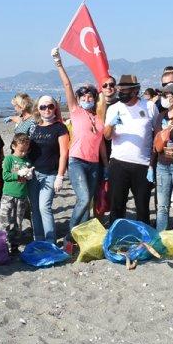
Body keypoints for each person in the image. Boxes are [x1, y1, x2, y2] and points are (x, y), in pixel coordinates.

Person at [51, 48, 106, 237]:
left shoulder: (99, 117)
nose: (86, 100)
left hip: (94, 163)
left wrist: (105, 166)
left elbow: (99, 144)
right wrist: (59, 63)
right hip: (76, 161)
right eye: (83, 97)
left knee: (88, 200)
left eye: (90, 97)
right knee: (83, 199)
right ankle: (70, 235)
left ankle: (81, 237)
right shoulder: (75, 111)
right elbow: (67, 85)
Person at [104, 75, 157, 225]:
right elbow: (107, 136)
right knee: (117, 205)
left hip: (142, 164)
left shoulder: (149, 106)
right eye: (120, 90)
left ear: (135, 91)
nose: (121, 94)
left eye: (125, 91)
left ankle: (144, 240)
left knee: (142, 206)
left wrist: (152, 164)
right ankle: (117, 238)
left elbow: (157, 133)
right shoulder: (114, 108)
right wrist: (112, 124)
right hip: (118, 163)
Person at [26, 96, 69, 244]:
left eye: (50, 106)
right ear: (38, 108)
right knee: (35, 208)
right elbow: (25, 149)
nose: (47, 110)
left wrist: (60, 176)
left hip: (50, 174)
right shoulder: (33, 127)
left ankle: (50, 240)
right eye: (43, 107)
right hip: (32, 174)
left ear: (55, 108)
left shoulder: (60, 128)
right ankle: (38, 239)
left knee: (44, 207)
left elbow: (64, 153)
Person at [151, 83, 173, 232]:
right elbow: (155, 141)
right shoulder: (160, 116)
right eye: (162, 95)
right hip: (161, 164)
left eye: (166, 95)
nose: (163, 98)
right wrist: (151, 165)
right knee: (162, 205)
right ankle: (160, 235)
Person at [1, 133, 32, 254]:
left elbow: (30, 177)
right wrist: (18, 174)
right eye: (21, 150)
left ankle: (14, 246)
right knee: (6, 221)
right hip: (8, 195)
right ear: (13, 146)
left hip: (22, 196)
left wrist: (29, 175)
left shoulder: (27, 161)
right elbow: (5, 175)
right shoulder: (9, 159)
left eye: (26, 150)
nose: (23, 153)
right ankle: (3, 246)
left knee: (18, 222)